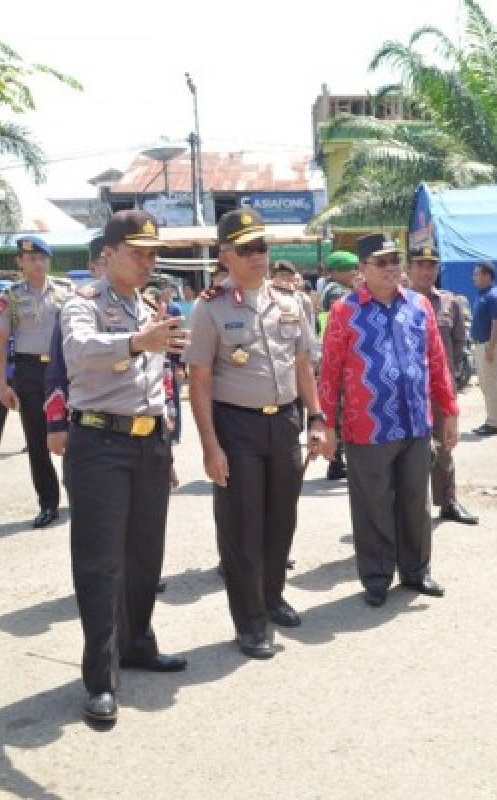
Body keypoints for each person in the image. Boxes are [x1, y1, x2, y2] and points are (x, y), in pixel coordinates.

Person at [60, 211, 188, 726]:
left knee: (144, 556)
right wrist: (137, 342)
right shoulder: (82, 302)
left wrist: (166, 444)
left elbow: (156, 386)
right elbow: (79, 352)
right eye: (138, 252)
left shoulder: (149, 306)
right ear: (107, 254)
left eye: (153, 253)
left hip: (147, 444)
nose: (148, 261)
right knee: (100, 563)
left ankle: (137, 642)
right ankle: (100, 677)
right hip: (99, 441)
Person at [185, 209, 326, 657]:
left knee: (282, 517)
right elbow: (200, 379)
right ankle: (249, 622)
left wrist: (318, 418)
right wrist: (210, 445)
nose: (257, 257)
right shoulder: (209, 307)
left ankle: (272, 596)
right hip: (237, 425)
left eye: (261, 247)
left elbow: (303, 365)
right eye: (245, 250)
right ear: (225, 256)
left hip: (284, 421)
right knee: (243, 525)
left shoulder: (291, 302)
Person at [319, 232, 455, 607]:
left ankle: (416, 570)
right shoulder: (344, 311)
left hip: (415, 420)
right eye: (382, 262)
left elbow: (437, 362)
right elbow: (329, 372)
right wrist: (325, 424)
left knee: (415, 500)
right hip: (367, 425)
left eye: (395, 260)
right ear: (362, 269)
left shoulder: (419, 306)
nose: (391, 268)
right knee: (372, 504)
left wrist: (449, 413)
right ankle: (377, 575)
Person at [0, 235, 66, 528]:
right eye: (31, 258)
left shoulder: (65, 293)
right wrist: (2, 385)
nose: (38, 263)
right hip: (29, 372)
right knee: (36, 439)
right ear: (20, 262)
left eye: (42, 258)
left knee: (74, 432)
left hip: (63, 370)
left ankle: (80, 494)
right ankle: (48, 502)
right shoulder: (10, 297)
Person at [406, 246, 478, 525]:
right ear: (410, 268)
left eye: (431, 266)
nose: (426, 271)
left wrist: (449, 375)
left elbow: (459, 343)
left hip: (438, 388)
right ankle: (409, 507)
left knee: (444, 445)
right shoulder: (397, 300)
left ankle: (447, 501)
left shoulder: (450, 302)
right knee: (406, 448)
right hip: (406, 389)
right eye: (420, 265)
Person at [45, 235, 105, 457]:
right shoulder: (77, 307)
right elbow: (58, 368)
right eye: (105, 262)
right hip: (90, 420)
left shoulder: (144, 308)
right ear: (92, 268)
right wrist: (56, 423)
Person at [317, 249, 358, 480]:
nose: (354, 274)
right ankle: (335, 462)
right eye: (351, 269)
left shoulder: (332, 289)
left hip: (335, 353)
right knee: (340, 410)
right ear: (340, 272)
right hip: (338, 357)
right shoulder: (338, 293)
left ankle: (337, 461)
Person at [470, 261, 497, 436]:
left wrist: (491, 347)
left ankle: (494, 423)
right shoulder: (482, 294)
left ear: (487, 276)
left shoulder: (493, 295)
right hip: (480, 344)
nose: (474, 277)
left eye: (477, 274)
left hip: (488, 345)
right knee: (485, 385)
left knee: (490, 385)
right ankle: (490, 419)